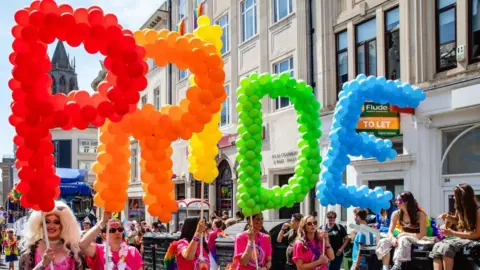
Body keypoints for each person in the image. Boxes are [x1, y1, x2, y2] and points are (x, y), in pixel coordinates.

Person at [19, 200, 84, 269]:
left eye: (56, 222)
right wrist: (42, 264)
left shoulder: (72, 251)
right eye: (47, 222)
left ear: (62, 225)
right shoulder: (31, 250)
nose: (51, 226)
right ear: (41, 225)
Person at [430, 183, 480, 270]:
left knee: (446, 247)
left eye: (455, 196)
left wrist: (452, 233)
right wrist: (447, 217)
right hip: (465, 238)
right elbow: (458, 221)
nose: (453, 198)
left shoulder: (478, 211)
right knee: (437, 246)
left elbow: (476, 234)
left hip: (475, 240)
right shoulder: (460, 208)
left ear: (463, 197)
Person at [376, 191, 427, 270]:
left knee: (403, 239)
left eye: (399, 200)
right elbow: (390, 232)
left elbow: (422, 234)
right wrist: (392, 239)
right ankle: (385, 267)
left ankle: (397, 266)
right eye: (396, 200)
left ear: (406, 202)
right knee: (384, 241)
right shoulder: (396, 214)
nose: (396, 203)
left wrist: (404, 234)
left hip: (415, 237)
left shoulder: (420, 215)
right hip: (401, 236)